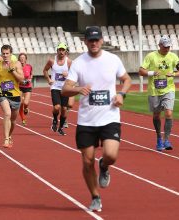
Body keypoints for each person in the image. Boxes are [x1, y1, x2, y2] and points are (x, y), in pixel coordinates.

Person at [61, 26, 131, 212]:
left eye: (96, 40)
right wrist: (78, 89)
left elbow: (126, 79)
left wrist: (122, 95)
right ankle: (95, 196)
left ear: (101, 40)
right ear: (85, 41)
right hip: (87, 120)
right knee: (87, 161)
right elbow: (65, 89)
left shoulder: (113, 59)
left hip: (109, 116)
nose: (93, 43)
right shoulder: (78, 63)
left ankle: (104, 166)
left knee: (111, 155)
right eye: (90, 40)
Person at [139, 35, 179, 151]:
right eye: (165, 46)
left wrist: (174, 74)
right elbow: (141, 71)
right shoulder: (151, 56)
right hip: (154, 90)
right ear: (159, 45)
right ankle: (159, 138)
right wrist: (151, 73)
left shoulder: (173, 57)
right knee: (156, 115)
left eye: (168, 47)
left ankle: (166, 139)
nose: (167, 49)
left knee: (169, 113)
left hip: (169, 89)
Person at [0, 44, 24, 148]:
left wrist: (12, 71)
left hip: (16, 95)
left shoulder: (16, 64)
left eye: (7, 53)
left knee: (13, 120)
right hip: (2, 94)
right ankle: (6, 139)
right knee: (7, 113)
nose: (5, 55)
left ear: (10, 54)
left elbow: (21, 79)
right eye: (3, 53)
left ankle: (10, 135)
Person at [43, 42, 72, 135]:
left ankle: (60, 128)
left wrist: (68, 75)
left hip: (65, 88)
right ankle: (55, 119)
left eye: (63, 50)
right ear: (57, 51)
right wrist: (48, 79)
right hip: (55, 87)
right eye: (60, 50)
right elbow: (45, 70)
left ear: (66, 51)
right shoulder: (52, 61)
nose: (61, 52)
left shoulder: (69, 62)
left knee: (64, 109)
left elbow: (74, 74)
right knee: (57, 107)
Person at [18, 53, 33, 126]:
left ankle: (26, 109)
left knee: (26, 103)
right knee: (21, 103)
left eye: (23, 58)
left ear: (26, 59)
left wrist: (30, 79)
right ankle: (23, 119)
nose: (22, 59)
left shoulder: (29, 66)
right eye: (21, 58)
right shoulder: (17, 67)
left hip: (28, 87)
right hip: (19, 87)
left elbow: (31, 74)